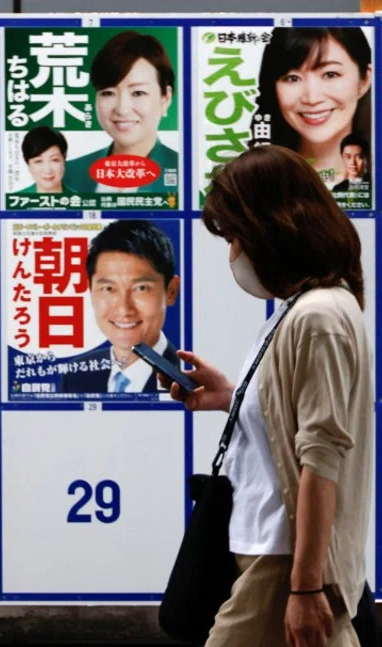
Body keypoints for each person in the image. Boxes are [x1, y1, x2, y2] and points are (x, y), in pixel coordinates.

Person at [163, 145, 372, 646]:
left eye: (236, 235)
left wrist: (305, 587)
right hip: (269, 550)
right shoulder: (303, 308)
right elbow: (295, 422)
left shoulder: (317, 316)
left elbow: (321, 458)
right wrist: (231, 397)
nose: (233, 251)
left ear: (271, 230)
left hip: (283, 560)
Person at [59, 219, 180, 394]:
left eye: (141, 288)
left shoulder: (187, 377)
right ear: (90, 289)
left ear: (171, 291)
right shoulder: (76, 375)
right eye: (108, 288)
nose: (124, 309)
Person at [252, 27, 372, 191]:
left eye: (330, 74)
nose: (312, 98)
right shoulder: (253, 180)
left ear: (364, 79)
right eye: (292, 78)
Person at [64, 31, 178, 194]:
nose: (122, 109)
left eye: (138, 93)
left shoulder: (188, 175)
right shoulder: (69, 174)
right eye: (108, 93)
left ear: (165, 98)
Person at [17, 126, 73, 194]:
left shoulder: (80, 200)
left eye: (54, 160)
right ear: (28, 164)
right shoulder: (12, 200)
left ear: (63, 161)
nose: (47, 170)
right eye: (38, 161)